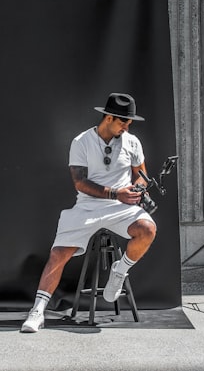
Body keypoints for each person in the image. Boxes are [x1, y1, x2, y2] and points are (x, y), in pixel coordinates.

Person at [20, 92, 157, 333]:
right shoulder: (81, 141)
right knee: (59, 252)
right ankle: (38, 310)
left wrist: (138, 190)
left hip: (122, 207)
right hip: (87, 206)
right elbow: (80, 182)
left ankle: (120, 270)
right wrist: (116, 193)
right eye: (123, 121)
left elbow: (141, 174)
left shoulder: (132, 141)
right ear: (108, 118)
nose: (127, 126)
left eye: (129, 122)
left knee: (148, 228)